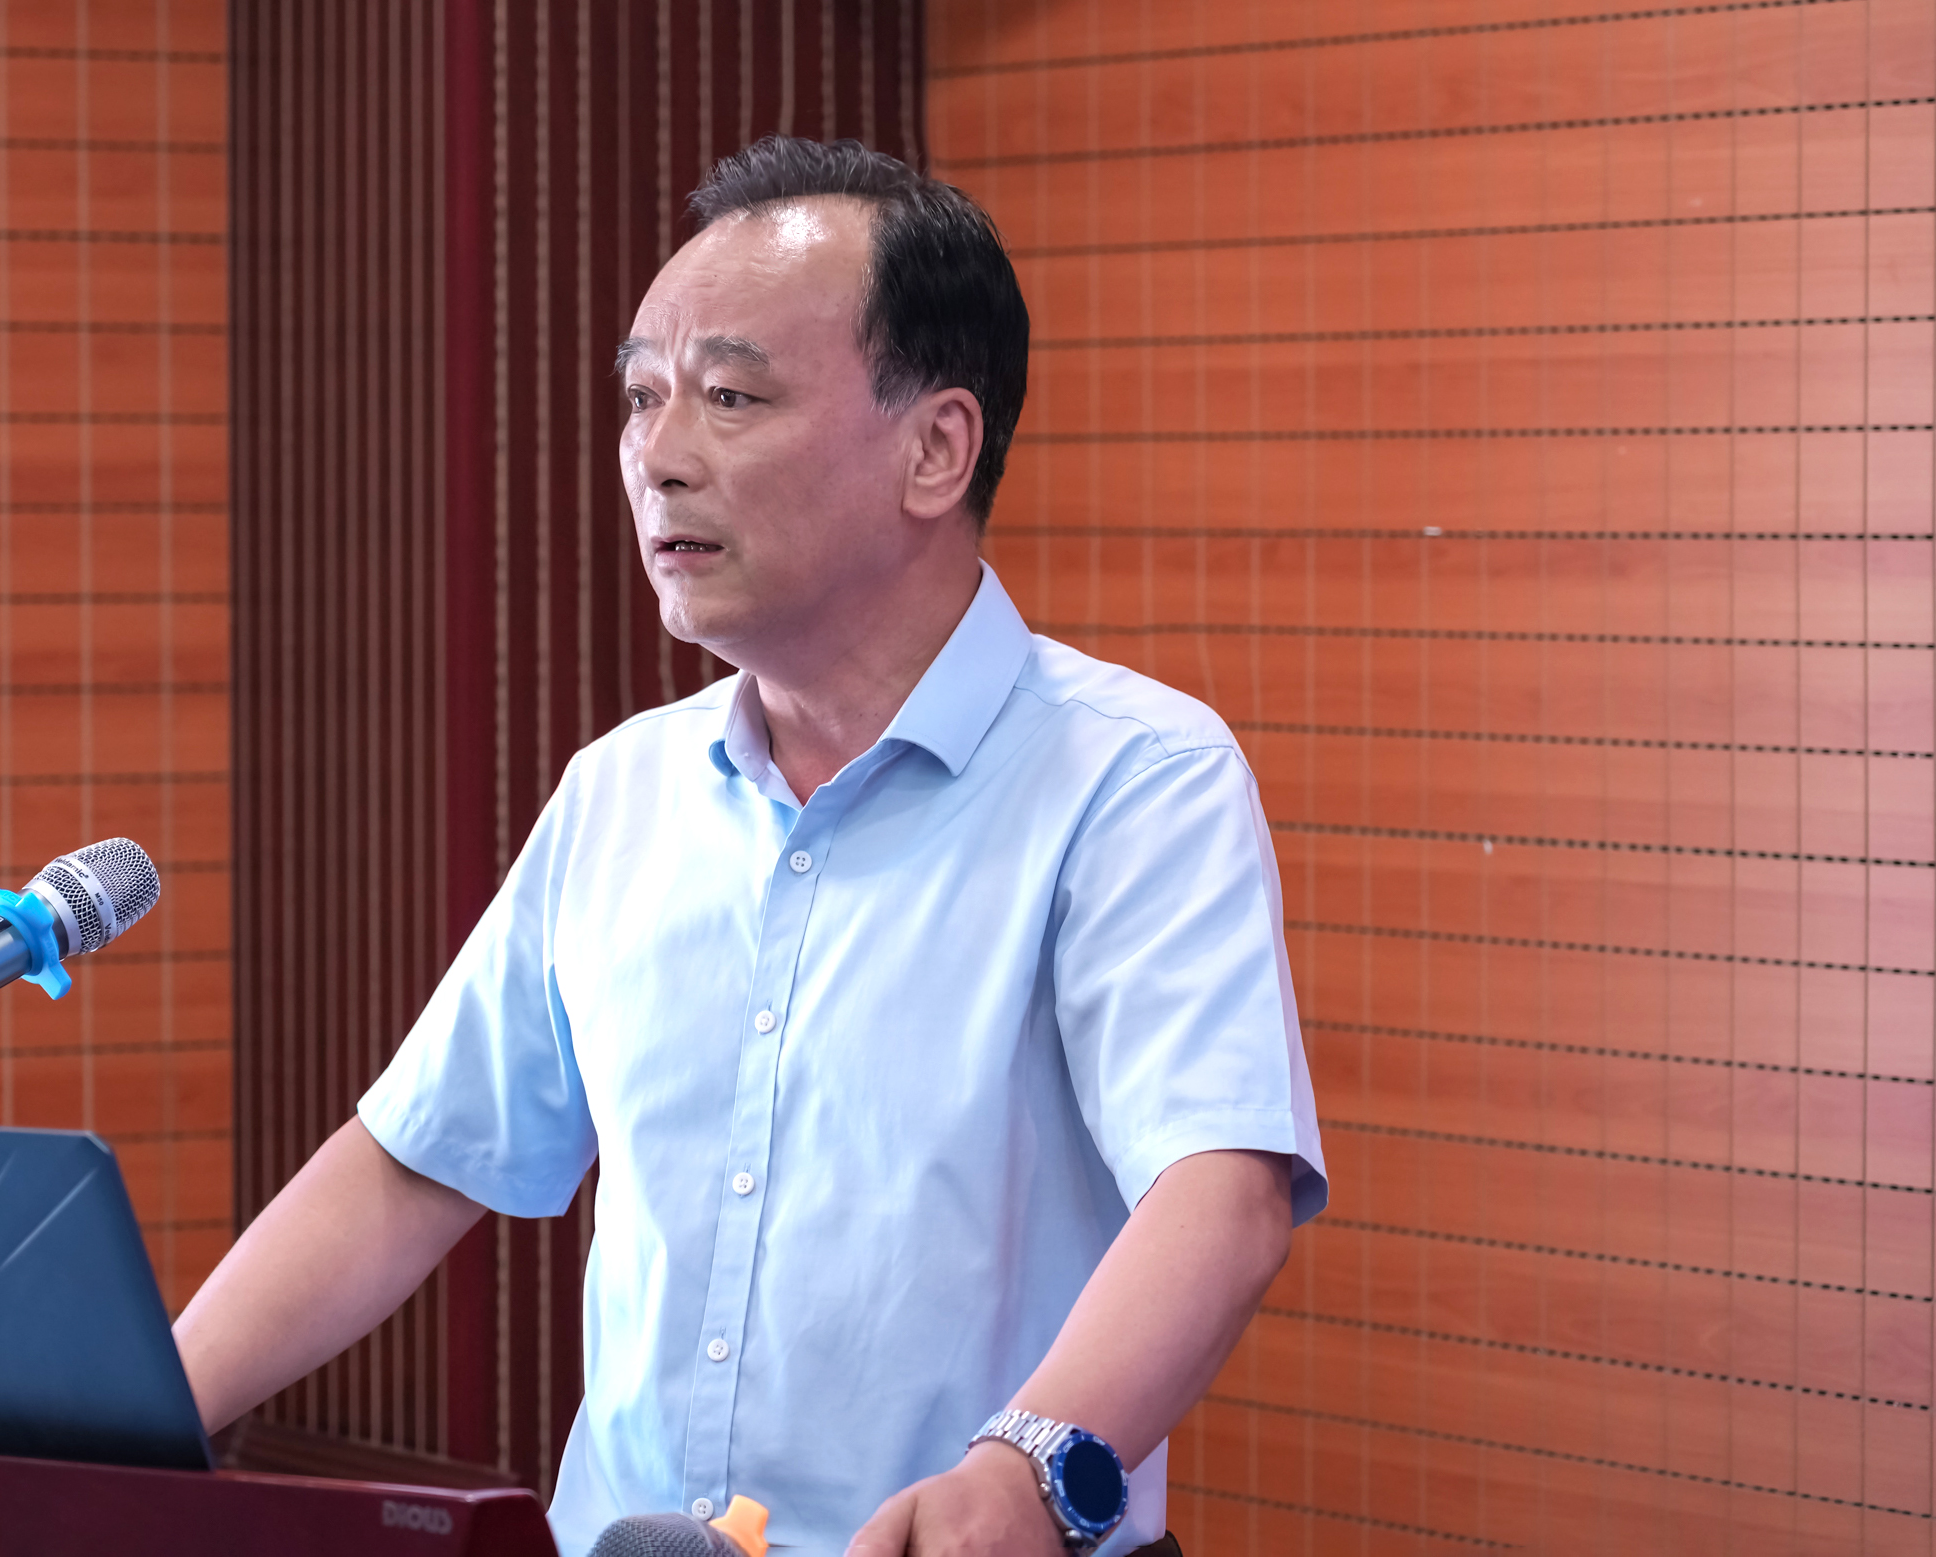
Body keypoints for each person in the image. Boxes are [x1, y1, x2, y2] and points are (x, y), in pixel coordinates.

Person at [172, 136, 1325, 1557]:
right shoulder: (622, 791)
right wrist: (141, 1415)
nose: (658, 456)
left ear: (936, 448)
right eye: (640, 397)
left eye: (729, 396)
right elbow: (419, 1160)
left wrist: (1027, 1471)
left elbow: (1223, 1191)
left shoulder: (1134, 780)